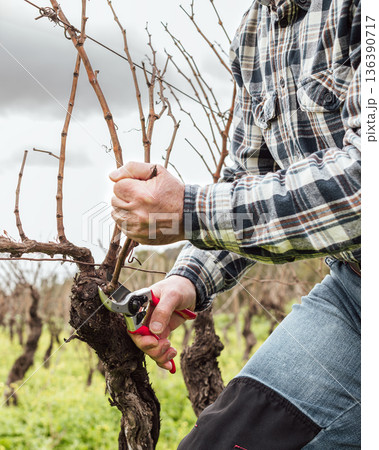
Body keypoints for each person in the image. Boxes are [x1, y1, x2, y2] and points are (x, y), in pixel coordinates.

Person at [109, 0, 361, 448]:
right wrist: (185, 280)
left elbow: (366, 183)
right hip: (354, 293)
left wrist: (190, 211)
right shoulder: (254, 31)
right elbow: (249, 182)